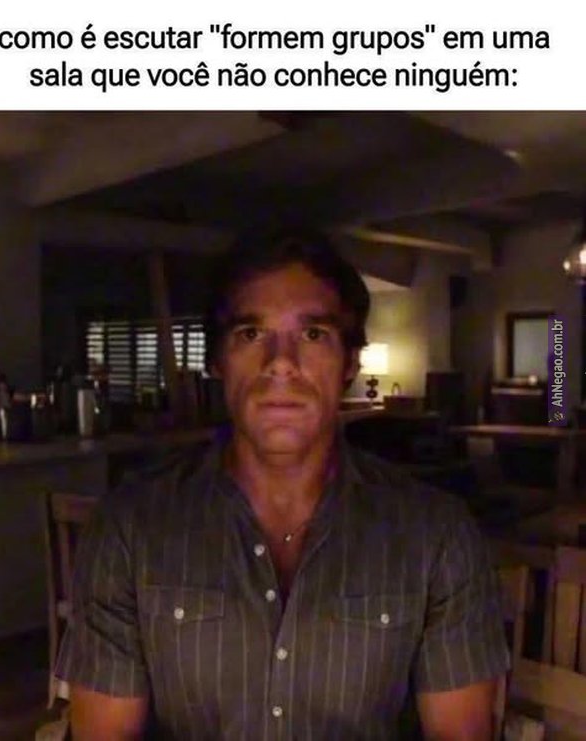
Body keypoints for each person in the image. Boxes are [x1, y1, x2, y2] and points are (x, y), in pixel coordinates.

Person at [57, 230, 509, 740]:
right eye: (251, 334)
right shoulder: (129, 528)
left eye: (313, 335)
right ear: (216, 361)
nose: (281, 362)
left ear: (350, 364)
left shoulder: (437, 535)